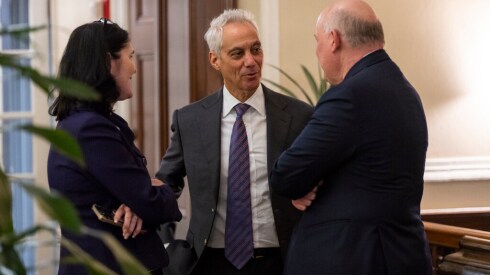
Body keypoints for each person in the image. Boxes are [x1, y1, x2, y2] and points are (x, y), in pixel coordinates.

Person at [269, 0, 433, 274]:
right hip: (402, 255)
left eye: (317, 41)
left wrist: (306, 185)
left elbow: (286, 177)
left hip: (354, 258)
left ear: (333, 40)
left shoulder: (350, 96)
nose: (317, 50)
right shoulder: (405, 91)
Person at [155, 9, 313, 275]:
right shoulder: (190, 120)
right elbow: (166, 185)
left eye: (256, 49)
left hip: (280, 261)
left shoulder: (299, 116)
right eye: (238, 54)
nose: (251, 61)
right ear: (215, 60)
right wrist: (165, 244)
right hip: (209, 262)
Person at [47, 18, 182, 275]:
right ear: (109, 63)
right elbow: (151, 202)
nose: (134, 67)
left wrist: (135, 203)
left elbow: (135, 196)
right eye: (130, 56)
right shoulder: (90, 129)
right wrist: (160, 189)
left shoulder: (90, 122)